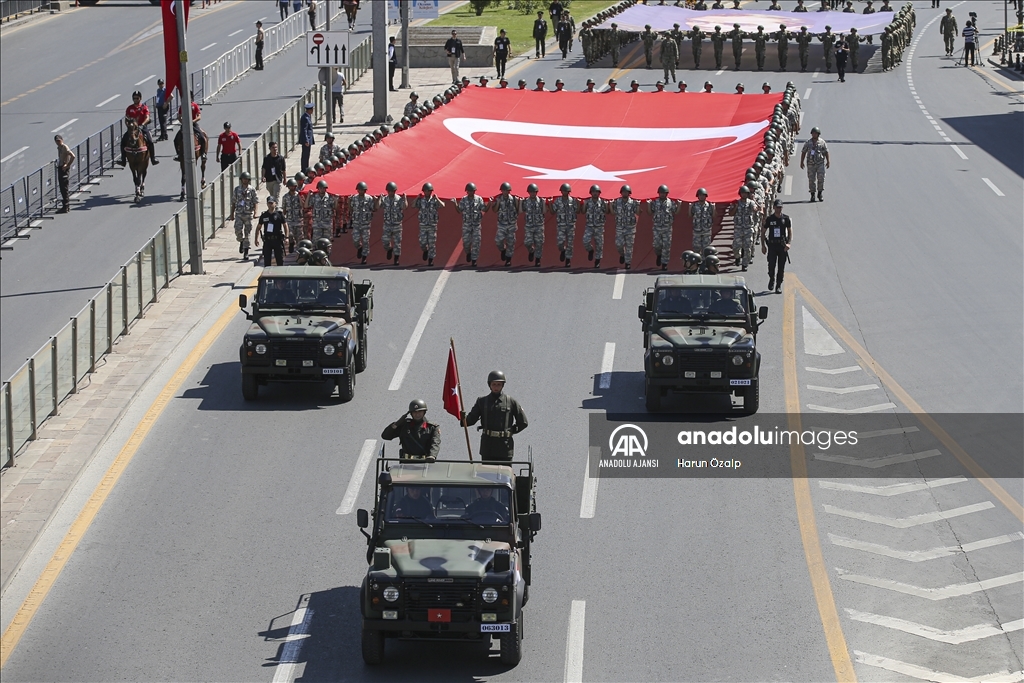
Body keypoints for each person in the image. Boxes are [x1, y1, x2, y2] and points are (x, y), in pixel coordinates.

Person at [463, 371, 528, 463]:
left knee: (505, 475)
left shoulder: (511, 401)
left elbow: (523, 422)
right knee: (486, 474)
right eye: (494, 384)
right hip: (488, 446)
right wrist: (461, 416)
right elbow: (470, 420)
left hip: (505, 447)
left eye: (499, 384)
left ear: (502, 385)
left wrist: (511, 431)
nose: (496, 387)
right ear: (489, 385)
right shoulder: (482, 401)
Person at [121, 90, 158, 166]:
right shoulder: (129, 108)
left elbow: (147, 117)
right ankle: (123, 160)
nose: (135, 100)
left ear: (140, 99)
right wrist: (129, 125)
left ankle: (153, 158)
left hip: (142, 127)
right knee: (123, 141)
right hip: (132, 129)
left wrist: (143, 124)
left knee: (150, 141)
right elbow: (126, 119)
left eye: (137, 98)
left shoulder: (144, 107)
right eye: (134, 98)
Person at [761, 199, 791, 293]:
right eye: (777, 207)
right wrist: (763, 245)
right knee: (771, 265)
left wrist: (788, 243)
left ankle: (778, 285)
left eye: (780, 207)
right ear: (774, 207)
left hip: (782, 246)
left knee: (781, 267)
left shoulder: (785, 218)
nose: (779, 209)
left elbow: (790, 231)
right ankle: (772, 279)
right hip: (772, 246)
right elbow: (763, 232)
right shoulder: (770, 219)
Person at [648, 185, 680, 270]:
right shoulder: (655, 202)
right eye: (661, 193)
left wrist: (679, 205)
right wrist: (648, 205)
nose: (662, 195)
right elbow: (650, 212)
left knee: (666, 246)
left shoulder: (671, 203)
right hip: (657, 228)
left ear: (667, 194)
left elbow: (676, 212)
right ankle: (659, 255)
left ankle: (664, 263)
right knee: (656, 245)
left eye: (664, 193)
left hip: (667, 228)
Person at [456, 182, 487, 267]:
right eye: (469, 191)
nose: (471, 192)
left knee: (476, 242)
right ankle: (468, 252)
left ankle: (474, 259)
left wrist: (490, 204)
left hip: (476, 225)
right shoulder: (464, 199)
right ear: (466, 191)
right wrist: (455, 204)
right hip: (467, 225)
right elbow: (459, 210)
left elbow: (484, 209)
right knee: (466, 242)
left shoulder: (479, 199)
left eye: (472, 191)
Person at [229, 171, 258, 258]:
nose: (245, 180)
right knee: (238, 230)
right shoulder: (237, 189)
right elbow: (233, 202)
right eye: (243, 179)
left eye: (246, 179)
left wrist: (255, 212)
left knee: (247, 233)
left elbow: (255, 201)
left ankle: (246, 251)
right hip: (239, 213)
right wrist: (232, 214)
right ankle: (241, 241)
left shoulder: (252, 190)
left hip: (248, 214)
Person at [612, 185, 641, 270]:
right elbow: (613, 212)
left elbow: (638, 212)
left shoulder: (634, 203)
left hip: (630, 228)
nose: (625, 193)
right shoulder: (616, 202)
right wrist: (609, 204)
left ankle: (628, 262)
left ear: (629, 193)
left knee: (629, 246)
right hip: (620, 227)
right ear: (621, 193)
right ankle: (622, 254)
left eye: (627, 192)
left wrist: (638, 205)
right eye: (623, 192)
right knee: (618, 244)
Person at [415, 182, 444, 266]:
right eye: (426, 191)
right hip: (423, 225)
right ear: (423, 191)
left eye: (429, 191)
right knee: (422, 242)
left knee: (432, 243)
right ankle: (425, 250)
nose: (427, 192)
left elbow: (443, 205)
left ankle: (431, 259)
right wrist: (417, 198)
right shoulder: (421, 200)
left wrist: (437, 198)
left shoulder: (434, 200)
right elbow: (413, 205)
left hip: (432, 225)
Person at [492, 182, 520, 266]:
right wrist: (498, 203)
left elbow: (518, 210)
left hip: (511, 224)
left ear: (509, 191)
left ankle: (508, 259)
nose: (505, 192)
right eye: (503, 190)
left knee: (511, 243)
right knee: (498, 241)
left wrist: (519, 202)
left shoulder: (514, 199)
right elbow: (494, 210)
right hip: (502, 224)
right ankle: (503, 250)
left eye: (507, 190)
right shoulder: (498, 198)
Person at [551, 182, 578, 267]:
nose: (564, 192)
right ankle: (563, 250)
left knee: (570, 244)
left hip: (570, 225)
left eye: (566, 191)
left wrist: (578, 203)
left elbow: (578, 210)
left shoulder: (573, 201)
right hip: (561, 225)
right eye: (563, 191)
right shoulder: (558, 201)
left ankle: (568, 259)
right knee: (560, 243)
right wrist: (550, 204)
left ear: (569, 191)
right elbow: (553, 211)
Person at [255, 196, 289, 267]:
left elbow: (285, 226)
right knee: (267, 261)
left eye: (272, 203)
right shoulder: (264, 215)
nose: (270, 205)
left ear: (275, 204)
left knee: (279, 260)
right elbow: (258, 227)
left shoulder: (279, 214)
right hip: (268, 240)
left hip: (277, 240)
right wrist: (256, 239)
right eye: (269, 203)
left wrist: (287, 237)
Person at [379, 182, 407, 265]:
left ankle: (396, 258)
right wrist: (379, 199)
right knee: (385, 241)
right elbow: (378, 207)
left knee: (397, 243)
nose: (391, 193)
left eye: (393, 191)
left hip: (397, 225)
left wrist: (404, 199)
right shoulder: (385, 199)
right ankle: (389, 249)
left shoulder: (399, 199)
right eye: (389, 191)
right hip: (387, 224)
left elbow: (404, 207)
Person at [800, 126, 829, 202]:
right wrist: (801, 162)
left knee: (821, 178)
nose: (814, 135)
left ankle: (820, 193)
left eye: (816, 133)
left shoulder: (822, 142)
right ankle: (812, 194)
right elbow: (803, 152)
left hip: (820, 163)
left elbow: (826, 151)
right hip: (811, 164)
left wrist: (828, 161)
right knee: (811, 180)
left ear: (818, 134)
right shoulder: (808, 143)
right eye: (813, 133)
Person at [582, 184, 608, 268]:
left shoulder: (603, 202)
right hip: (589, 226)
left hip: (599, 226)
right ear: (591, 193)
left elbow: (607, 212)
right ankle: (590, 250)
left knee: (599, 244)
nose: (595, 193)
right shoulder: (587, 202)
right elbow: (582, 212)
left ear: (599, 193)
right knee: (585, 241)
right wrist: (584, 205)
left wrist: (608, 205)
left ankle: (597, 261)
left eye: (597, 192)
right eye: (593, 192)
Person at [350, 181, 375, 264]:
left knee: (366, 241)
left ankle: (364, 257)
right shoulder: (354, 198)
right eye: (360, 190)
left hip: (366, 224)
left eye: (363, 190)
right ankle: (359, 247)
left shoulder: (369, 198)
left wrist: (376, 201)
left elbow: (373, 209)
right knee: (355, 240)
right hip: (356, 223)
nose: (361, 191)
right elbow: (351, 208)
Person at [732, 185, 756, 270]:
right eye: (742, 193)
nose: (744, 195)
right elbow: (730, 213)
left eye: (746, 193)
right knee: (736, 246)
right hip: (738, 228)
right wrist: (735, 208)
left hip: (748, 229)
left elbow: (755, 208)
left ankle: (745, 264)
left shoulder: (750, 202)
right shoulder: (736, 203)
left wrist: (755, 207)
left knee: (747, 247)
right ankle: (737, 257)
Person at [521, 183, 545, 267]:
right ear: (528, 193)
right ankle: (531, 251)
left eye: (534, 192)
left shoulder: (541, 201)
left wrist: (545, 204)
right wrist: (520, 202)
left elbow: (544, 211)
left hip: (539, 225)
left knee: (539, 243)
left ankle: (537, 259)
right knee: (527, 242)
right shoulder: (525, 201)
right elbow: (521, 211)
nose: (532, 193)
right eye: (531, 192)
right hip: (529, 225)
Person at [309, 179, 336, 244]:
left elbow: (335, 207)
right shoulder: (314, 197)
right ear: (318, 188)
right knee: (316, 242)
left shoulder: (330, 197)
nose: (322, 189)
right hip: (317, 223)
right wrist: (308, 196)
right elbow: (307, 205)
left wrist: (336, 200)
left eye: (323, 188)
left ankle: (327, 254)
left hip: (327, 223)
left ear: (326, 189)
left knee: (327, 242)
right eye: (320, 188)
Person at [54, 134, 75, 213]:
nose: (58, 142)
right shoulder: (59, 148)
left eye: (59, 141)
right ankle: (65, 206)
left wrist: (67, 165)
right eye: (56, 141)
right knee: (62, 188)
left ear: (62, 140)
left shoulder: (65, 147)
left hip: (64, 169)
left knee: (64, 188)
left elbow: (73, 156)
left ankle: (66, 206)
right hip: (60, 167)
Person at [690, 188, 715, 253]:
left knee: (706, 248)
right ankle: (697, 261)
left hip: (706, 230)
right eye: (700, 195)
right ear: (697, 196)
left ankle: (704, 261)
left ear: (706, 196)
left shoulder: (709, 205)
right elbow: (690, 215)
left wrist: (713, 208)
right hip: (697, 230)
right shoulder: (694, 205)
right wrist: (690, 208)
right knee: (696, 247)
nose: (701, 197)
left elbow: (714, 215)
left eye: (703, 195)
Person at [300, 101, 314, 171]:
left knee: (307, 154)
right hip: (307, 140)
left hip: (308, 138)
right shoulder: (305, 118)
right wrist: (306, 140)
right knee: (305, 155)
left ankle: (306, 167)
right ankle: (304, 169)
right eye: (312, 109)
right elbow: (304, 130)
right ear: (309, 110)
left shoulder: (308, 117)